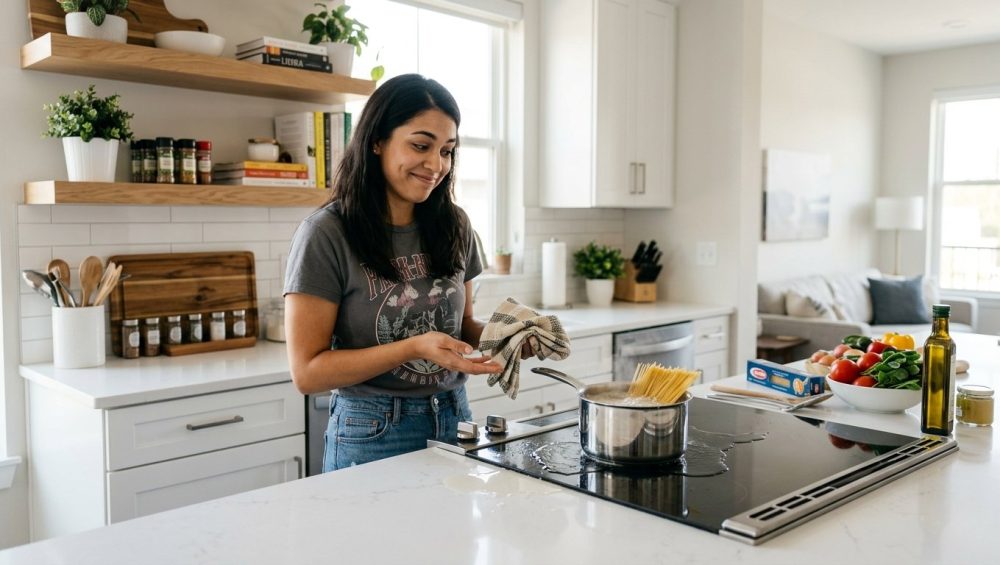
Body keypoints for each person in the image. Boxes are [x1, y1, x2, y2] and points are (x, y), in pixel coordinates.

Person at [284, 74, 508, 472]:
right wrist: (411, 347)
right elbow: (307, 372)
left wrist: (509, 333)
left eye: (447, 150)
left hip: (455, 418)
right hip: (372, 428)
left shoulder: (454, 224)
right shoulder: (327, 233)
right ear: (377, 141)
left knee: (448, 537)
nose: (437, 164)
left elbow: (464, 324)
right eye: (421, 146)